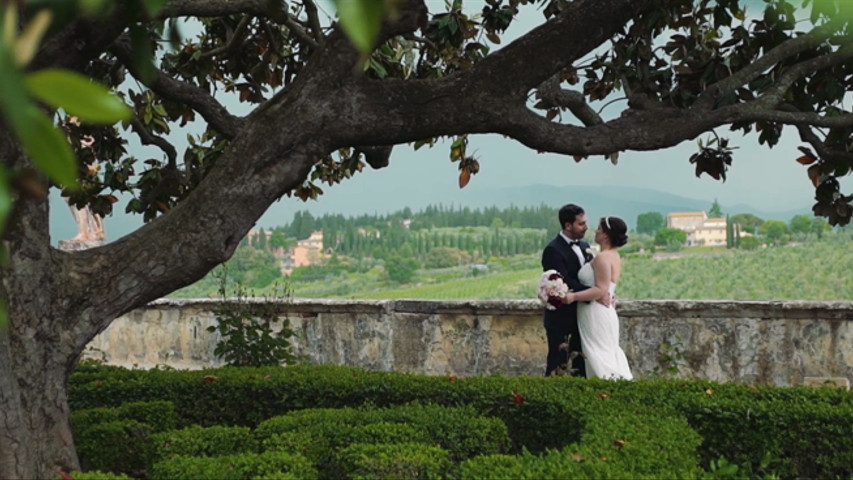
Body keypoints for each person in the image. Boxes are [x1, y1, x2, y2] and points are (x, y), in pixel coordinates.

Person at [541, 204, 611, 377]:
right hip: (561, 318)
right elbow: (565, 281)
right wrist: (596, 293)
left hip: (583, 316)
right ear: (567, 226)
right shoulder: (553, 250)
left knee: (581, 363)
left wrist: (604, 291)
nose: (586, 227)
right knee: (559, 364)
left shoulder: (584, 246)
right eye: (581, 224)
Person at [563, 216, 633, 380]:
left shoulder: (602, 258)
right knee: (605, 351)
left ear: (606, 235)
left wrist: (573, 296)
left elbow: (601, 290)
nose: (595, 231)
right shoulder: (613, 255)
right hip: (603, 311)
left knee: (598, 354)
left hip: (595, 312)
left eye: (600, 229)